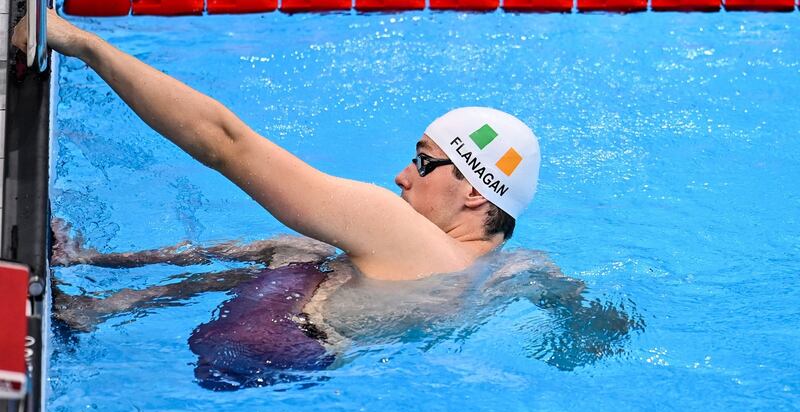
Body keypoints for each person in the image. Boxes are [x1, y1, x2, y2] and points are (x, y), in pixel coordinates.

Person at [13, 9, 541, 282]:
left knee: (299, 251)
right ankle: (105, 299)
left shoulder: (394, 227)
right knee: (304, 251)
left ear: (475, 192)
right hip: (307, 365)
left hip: (265, 339)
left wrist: (82, 43)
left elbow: (226, 144)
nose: (401, 176)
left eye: (424, 162)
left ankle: (94, 273)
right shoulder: (505, 273)